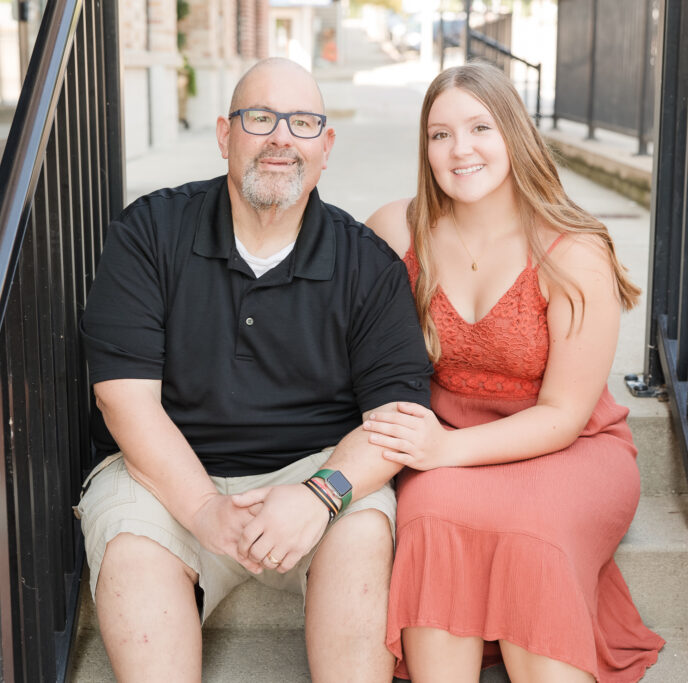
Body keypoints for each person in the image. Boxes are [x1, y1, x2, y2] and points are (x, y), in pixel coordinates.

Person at [77, 57, 433, 683]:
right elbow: (124, 402)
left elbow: (396, 422)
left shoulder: (367, 265)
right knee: (132, 553)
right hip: (162, 475)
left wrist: (320, 496)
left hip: (316, 471)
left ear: (326, 146)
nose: (280, 138)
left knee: (364, 532)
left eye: (301, 123)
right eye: (260, 118)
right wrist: (204, 508)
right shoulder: (151, 232)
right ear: (224, 134)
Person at [364, 62, 665, 682]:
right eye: (440, 134)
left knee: (531, 537)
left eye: (480, 127)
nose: (460, 149)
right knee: (430, 521)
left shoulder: (574, 250)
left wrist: (443, 448)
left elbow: (563, 416)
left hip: (568, 448)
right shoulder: (397, 229)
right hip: (442, 450)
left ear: (514, 135)